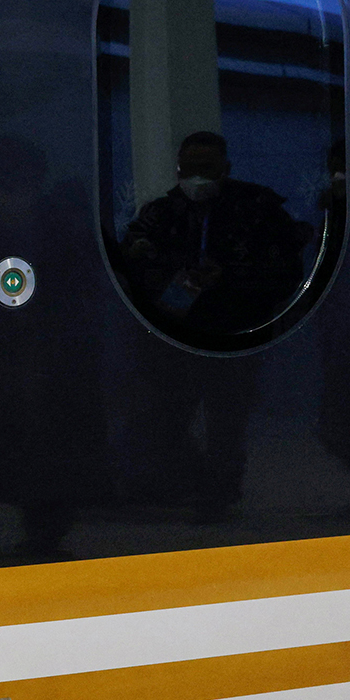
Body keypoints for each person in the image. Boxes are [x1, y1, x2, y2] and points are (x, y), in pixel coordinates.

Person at [119, 131, 311, 518]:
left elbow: (286, 271)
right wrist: (170, 278)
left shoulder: (258, 209)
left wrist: (230, 280)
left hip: (237, 333)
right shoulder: (160, 213)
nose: (197, 177)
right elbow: (132, 267)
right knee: (168, 418)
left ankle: (219, 495)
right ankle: (191, 484)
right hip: (173, 334)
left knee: (227, 420)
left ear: (226, 169)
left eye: (206, 169)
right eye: (189, 169)